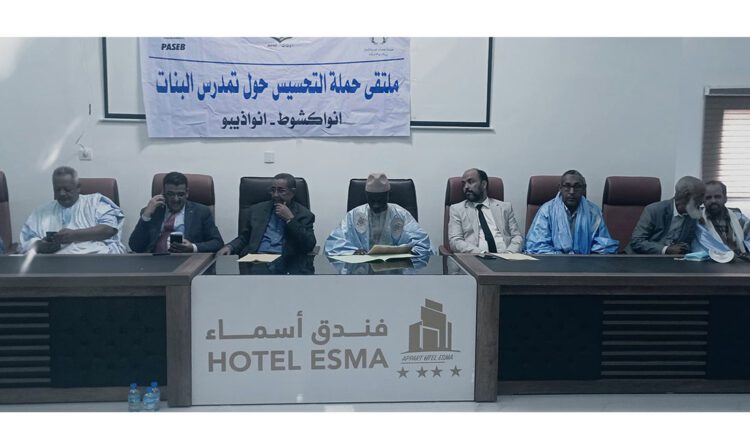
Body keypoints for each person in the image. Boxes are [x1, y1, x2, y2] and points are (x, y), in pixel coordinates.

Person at [20, 166, 126, 254]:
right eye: (57, 190)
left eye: (67, 189)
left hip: (95, 261)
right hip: (53, 264)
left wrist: (73, 235)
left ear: (78, 187)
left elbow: (108, 230)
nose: (62, 193)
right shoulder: (41, 212)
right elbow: (25, 242)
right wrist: (41, 246)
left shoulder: (96, 202)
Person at [325, 173, 433, 256]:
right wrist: (353, 252)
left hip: (396, 270)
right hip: (361, 269)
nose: (376, 205)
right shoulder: (354, 215)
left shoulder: (401, 215)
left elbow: (423, 244)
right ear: (366, 196)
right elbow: (333, 244)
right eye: (372, 200)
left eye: (380, 200)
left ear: (388, 195)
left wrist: (410, 252)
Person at [217, 173, 316, 256]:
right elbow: (245, 237)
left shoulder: (305, 215)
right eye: (273, 190)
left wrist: (290, 219)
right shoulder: (257, 210)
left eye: (281, 191)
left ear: (292, 192)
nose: (275, 195)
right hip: (256, 259)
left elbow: (309, 245)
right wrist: (230, 247)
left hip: (286, 262)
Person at [525, 170, 618, 254]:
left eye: (577, 187)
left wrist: (586, 260)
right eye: (567, 186)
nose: (572, 192)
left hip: (585, 263)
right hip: (554, 263)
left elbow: (603, 246)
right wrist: (564, 260)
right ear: (560, 188)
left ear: (584, 189)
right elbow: (537, 246)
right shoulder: (547, 210)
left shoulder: (593, 212)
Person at [128, 171, 224, 253]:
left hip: (187, 260)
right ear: (163, 193)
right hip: (154, 260)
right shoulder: (153, 211)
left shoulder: (201, 212)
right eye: (170, 194)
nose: (176, 199)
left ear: (187, 193)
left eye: (180, 194)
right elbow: (135, 246)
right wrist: (146, 216)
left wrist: (192, 247)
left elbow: (217, 243)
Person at [448, 168, 523, 253]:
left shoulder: (505, 207)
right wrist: (481, 253)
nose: (466, 187)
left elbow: (517, 236)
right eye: (463, 184)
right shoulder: (457, 209)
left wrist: (510, 253)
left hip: (507, 257)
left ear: (484, 184)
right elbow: (455, 241)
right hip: (475, 257)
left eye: (471, 182)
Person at [625, 176, 705, 255]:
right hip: (640, 257)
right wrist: (666, 250)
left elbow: (687, 242)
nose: (702, 201)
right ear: (686, 196)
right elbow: (637, 241)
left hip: (670, 260)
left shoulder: (692, 215)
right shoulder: (654, 210)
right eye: (700, 196)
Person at [695, 180, 750, 255]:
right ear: (703, 200)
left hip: (740, 259)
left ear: (725, 199)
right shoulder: (697, 222)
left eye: (717, 197)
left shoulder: (740, 219)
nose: (713, 201)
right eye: (708, 198)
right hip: (711, 260)